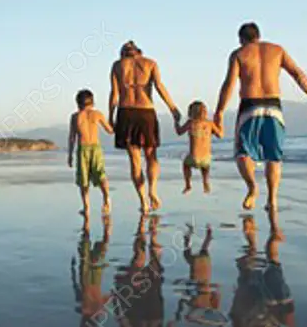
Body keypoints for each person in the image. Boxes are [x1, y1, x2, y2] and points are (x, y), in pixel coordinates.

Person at [213, 22, 307, 211]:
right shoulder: (277, 50)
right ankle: (272, 200)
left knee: (243, 153)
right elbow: (297, 73)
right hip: (274, 107)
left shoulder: (239, 54)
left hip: (250, 106)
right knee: (273, 156)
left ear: (241, 39)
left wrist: (219, 112)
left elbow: (228, 84)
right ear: (258, 36)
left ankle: (252, 187)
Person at [109, 41, 181, 212]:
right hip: (145, 111)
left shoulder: (118, 66)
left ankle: (143, 201)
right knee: (151, 156)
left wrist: (110, 115)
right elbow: (159, 87)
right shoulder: (150, 63)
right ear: (139, 52)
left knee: (135, 161)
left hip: (125, 112)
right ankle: (153, 191)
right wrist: (173, 108)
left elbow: (115, 93)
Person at [68, 89, 113, 216]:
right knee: (101, 174)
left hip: (83, 148)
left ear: (78, 103)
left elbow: (72, 137)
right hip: (96, 148)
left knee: (84, 180)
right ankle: (106, 198)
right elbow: (110, 130)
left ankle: (86, 207)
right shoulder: (97, 114)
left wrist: (70, 155)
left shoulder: (75, 117)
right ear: (92, 102)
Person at [174, 100, 223, 194]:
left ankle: (188, 184)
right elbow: (220, 135)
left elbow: (179, 132)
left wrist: (176, 122)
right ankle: (205, 182)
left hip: (193, 158)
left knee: (186, 164)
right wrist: (220, 122)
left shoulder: (190, 123)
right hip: (206, 158)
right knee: (205, 166)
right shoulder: (210, 124)